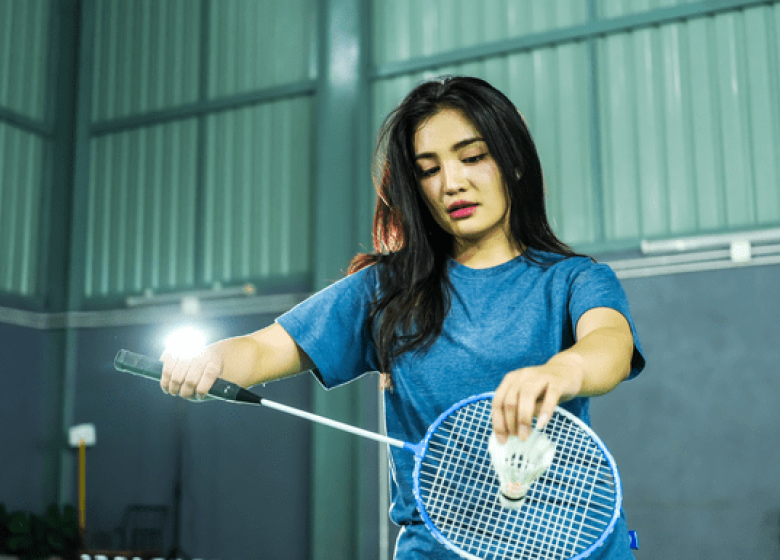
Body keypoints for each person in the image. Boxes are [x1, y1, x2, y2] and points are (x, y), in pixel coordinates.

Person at [160, 76, 646, 559]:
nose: (452, 183)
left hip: (575, 548)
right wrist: (210, 360)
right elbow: (264, 348)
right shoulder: (388, 289)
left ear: (513, 163)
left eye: (473, 156)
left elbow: (609, 344)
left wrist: (562, 370)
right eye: (428, 170)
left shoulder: (575, 279)